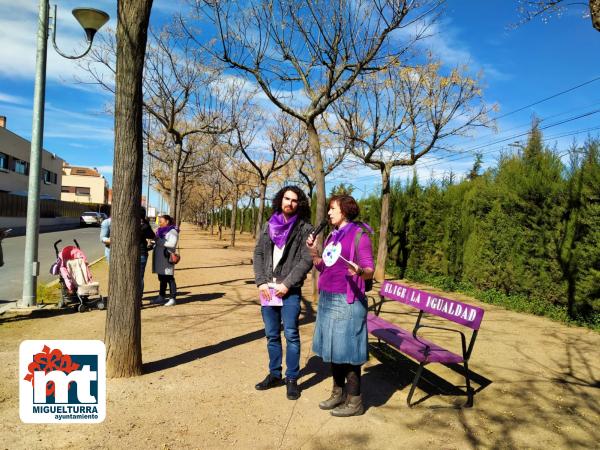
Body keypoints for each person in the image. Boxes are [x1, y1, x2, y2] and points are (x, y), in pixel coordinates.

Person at [306, 195, 374, 417]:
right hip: (328, 298)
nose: (328, 213)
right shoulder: (332, 237)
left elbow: (369, 269)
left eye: (332, 209)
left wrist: (360, 272)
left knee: (349, 351)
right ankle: (338, 393)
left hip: (348, 301)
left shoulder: (359, 235)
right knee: (333, 349)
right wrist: (314, 250)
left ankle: (355, 402)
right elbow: (322, 267)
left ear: (344, 211)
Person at [253, 186, 313, 400]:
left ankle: (292, 379)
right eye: (287, 198)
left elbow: (306, 260)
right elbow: (258, 252)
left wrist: (287, 284)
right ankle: (274, 374)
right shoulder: (269, 224)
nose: (290, 203)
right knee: (271, 335)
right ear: (280, 200)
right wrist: (260, 282)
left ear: (300, 204)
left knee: (291, 335)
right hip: (268, 289)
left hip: (290, 291)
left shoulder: (305, 228)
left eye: (295, 200)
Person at [152, 214, 179, 307]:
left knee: (169, 278)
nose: (159, 223)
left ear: (167, 221)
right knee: (162, 278)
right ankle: (161, 296)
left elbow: (172, 244)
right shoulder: (160, 231)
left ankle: (173, 298)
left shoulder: (172, 231)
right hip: (160, 259)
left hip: (167, 258)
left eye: (161, 221)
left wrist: (158, 241)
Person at [139, 207, 156, 299]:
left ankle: (138, 298)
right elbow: (152, 236)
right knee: (139, 277)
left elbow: (152, 236)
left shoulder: (144, 225)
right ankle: (139, 298)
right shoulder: (145, 225)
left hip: (141, 253)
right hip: (142, 253)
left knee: (139, 278)